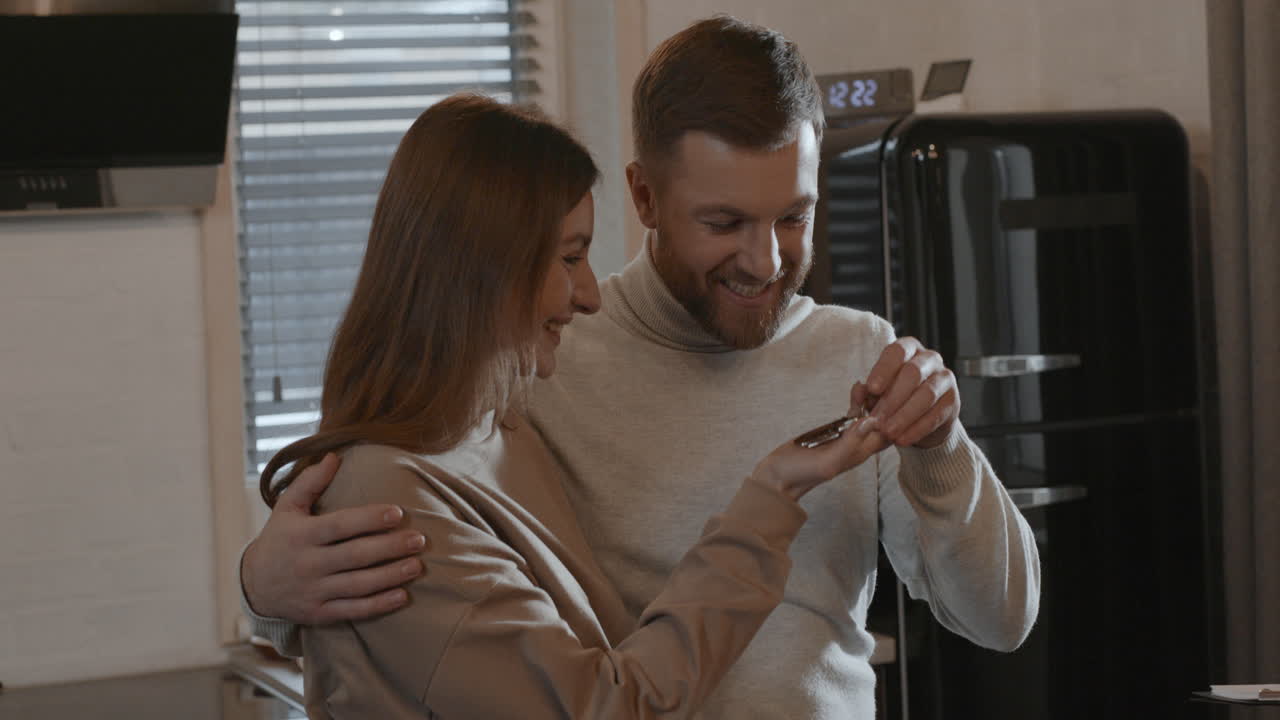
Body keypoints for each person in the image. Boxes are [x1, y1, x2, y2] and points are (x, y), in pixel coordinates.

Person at [242, 17, 1041, 720]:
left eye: (793, 217)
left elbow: (1002, 620)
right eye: (724, 222)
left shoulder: (858, 355)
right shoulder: (539, 363)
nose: (766, 261)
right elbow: (402, 568)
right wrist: (262, 590)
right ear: (645, 197)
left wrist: (941, 450)